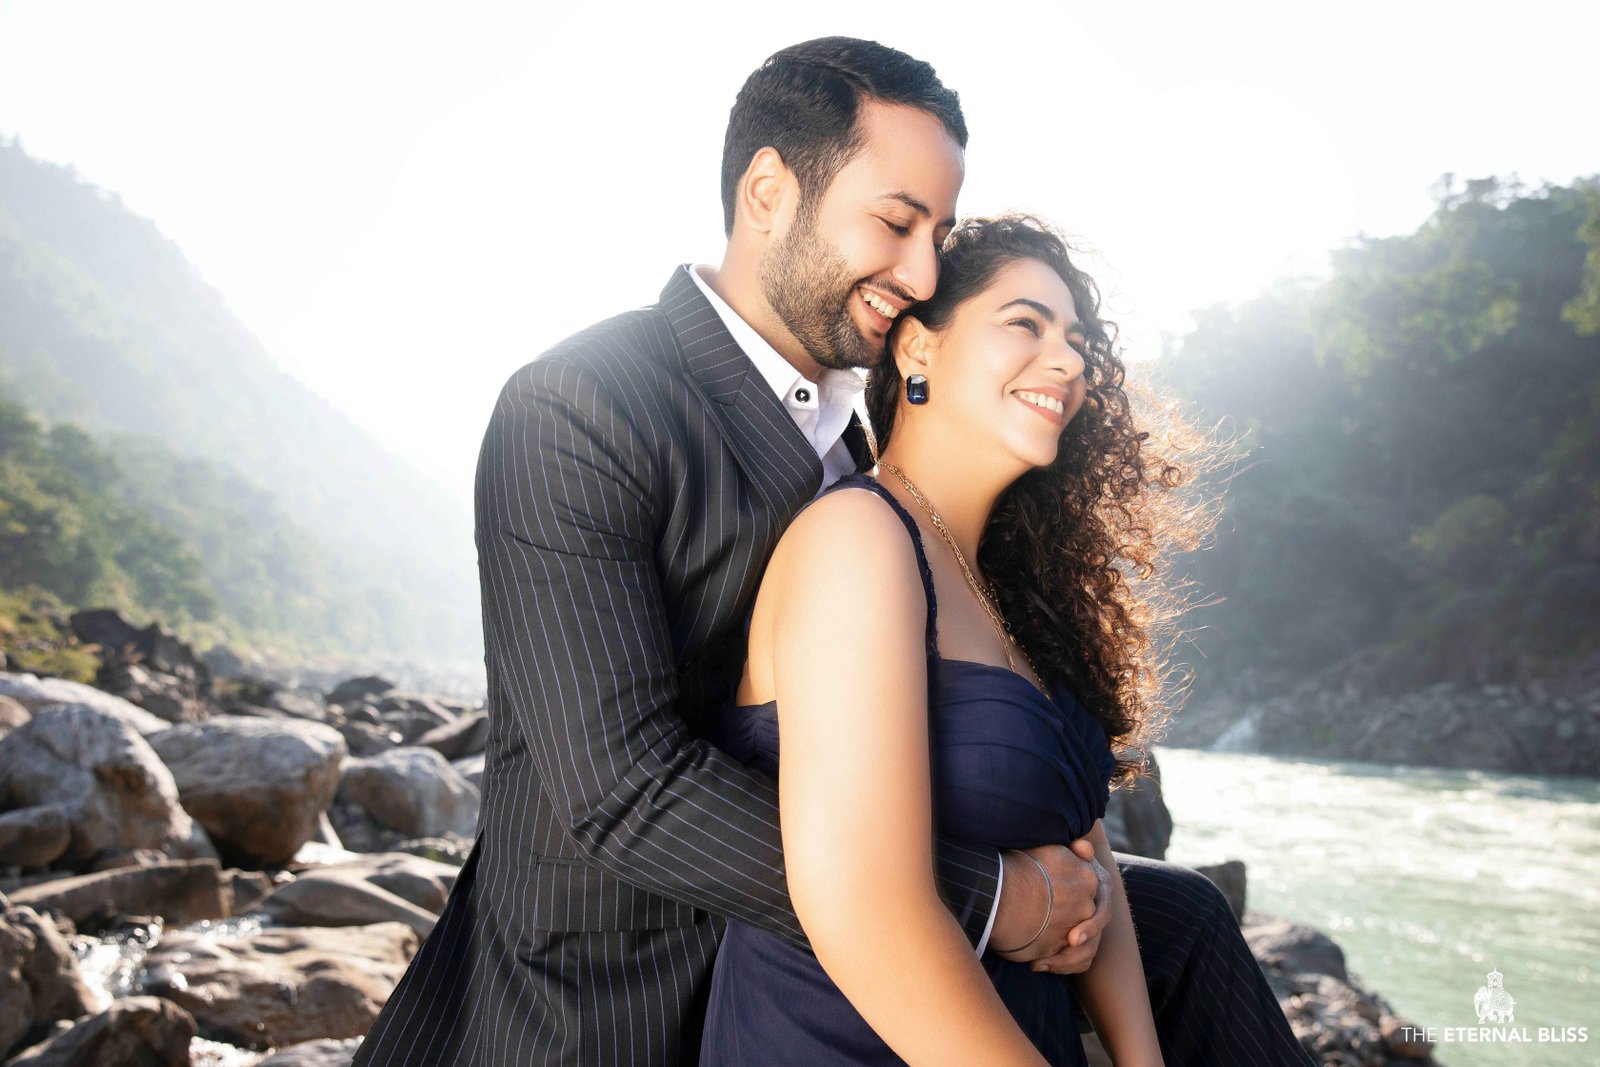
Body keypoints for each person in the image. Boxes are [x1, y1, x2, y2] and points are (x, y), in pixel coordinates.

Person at [354, 36, 1303, 1067]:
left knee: (1186, 922)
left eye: (939, 234)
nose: (923, 271)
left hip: (835, 931)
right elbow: (621, 785)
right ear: (769, 192)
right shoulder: (582, 404)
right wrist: (992, 895)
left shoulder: (868, 454)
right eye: (895, 223)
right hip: (620, 981)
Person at [699, 213, 1312, 1066]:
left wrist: (1141, 1059)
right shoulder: (859, 538)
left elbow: (1088, 852)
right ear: (917, 348)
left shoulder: (1015, 588)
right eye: (1026, 323)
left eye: (1078, 343)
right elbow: (867, 906)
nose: (1068, 362)